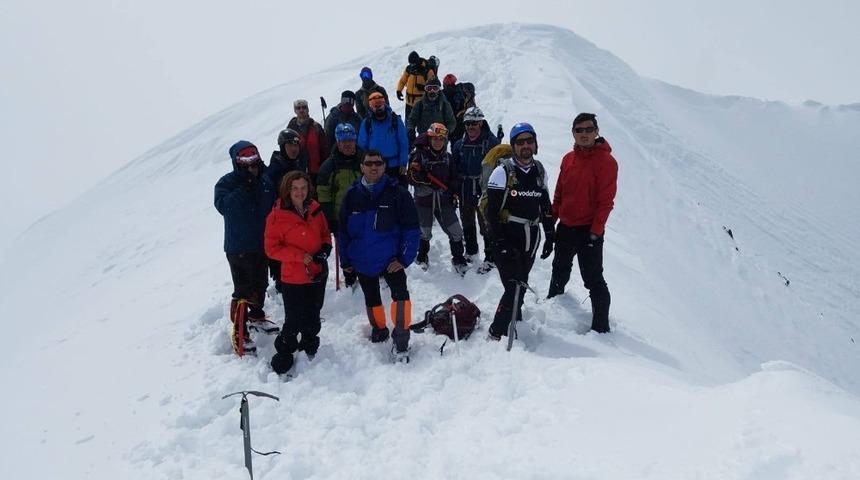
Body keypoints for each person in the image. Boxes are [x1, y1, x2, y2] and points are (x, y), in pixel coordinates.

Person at [338, 150, 420, 362]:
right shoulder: (352, 195)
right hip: (362, 260)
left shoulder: (398, 193)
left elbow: (411, 229)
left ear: (384, 167)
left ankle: (401, 339)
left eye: (378, 163)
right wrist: (345, 261)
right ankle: (379, 329)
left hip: (390, 260)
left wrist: (403, 260)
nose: (373, 167)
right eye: (369, 163)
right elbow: (343, 232)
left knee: (400, 296)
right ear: (362, 167)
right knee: (371, 298)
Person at [547, 113, 618, 333]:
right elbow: (560, 192)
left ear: (597, 131)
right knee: (559, 268)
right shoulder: (568, 158)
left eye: (589, 129)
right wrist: (552, 219)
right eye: (579, 130)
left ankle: (601, 329)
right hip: (566, 227)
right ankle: (552, 303)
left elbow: (605, 202)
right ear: (573, 133)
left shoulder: (606, 162)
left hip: (589, 231)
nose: (584, 134)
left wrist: (595, 232)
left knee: (593, 279)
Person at [484, 123, 555, 341]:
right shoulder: (502, 172)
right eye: (520, 142)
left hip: (530, 238)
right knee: (514, 286)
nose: (525, 146)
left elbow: (545, 204)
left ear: (535, 144)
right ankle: (497, 330)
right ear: (513, 145)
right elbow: (491, 212)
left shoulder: (539, 170)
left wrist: (549, 234)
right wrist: (500, 243)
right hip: (508, 236)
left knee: (520, 282)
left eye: (529, 141)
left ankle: (515, 314)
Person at [214, 141, 278, 355]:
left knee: (260, 284)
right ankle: (240, 332)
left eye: (254, 159)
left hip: (262, 243)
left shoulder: (265, 180)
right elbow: (224, 206)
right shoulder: (227, 183)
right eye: (246, 160)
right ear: (237, 162)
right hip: (238, 245)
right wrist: (244, 187)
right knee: (243, 288)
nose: (251, 165)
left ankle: (257, 316)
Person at [265, 171, 332, 373]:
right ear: (287, 189)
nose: (299, 192)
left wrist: (325, 249)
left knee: (313, 313)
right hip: (293, 276)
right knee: (293, 318)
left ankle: (310, 344)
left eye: (303, 187)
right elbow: (271, 248)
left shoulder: (314, 208)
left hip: (317, 272)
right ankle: (285, 349)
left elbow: (324, 234)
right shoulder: (276, 216)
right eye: (295, 188)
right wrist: (298, 256)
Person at [407, 123, 468, 274]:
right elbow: (410, 177)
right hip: (424, 201)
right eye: (434, 138)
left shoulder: (448, 158)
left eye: (441, 139)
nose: (437, 142)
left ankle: (459, 259)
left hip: (444, 201)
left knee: (456, 231)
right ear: (429, 138)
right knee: (424, 232)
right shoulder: (418, 155)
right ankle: (421, 257)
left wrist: (452, 190)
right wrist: (421, 178)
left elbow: (456, 177)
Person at [451, 107, 499, 271]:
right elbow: (455, 167)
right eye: (468, 123)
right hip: (465, 188)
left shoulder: (491, 143)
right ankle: (471, 251)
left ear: (481, 123)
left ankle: (491, 256)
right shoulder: (459, 144)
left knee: (486, 223)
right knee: (467, 221)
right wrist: (455, 188)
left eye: (474, 123)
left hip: (483, 188)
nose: (471, 127)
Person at [266, 128, 309, 293]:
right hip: (281, 218)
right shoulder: (274, 170)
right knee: (283, 251)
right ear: (283, 146)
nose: (294, 148)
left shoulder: (298, 163)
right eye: (290, 145)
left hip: (298, 214)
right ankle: (282, 284)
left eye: (296, 145)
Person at [317, 123, 364, 232]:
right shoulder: (328, 167)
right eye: (343, 141)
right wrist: (329, 219)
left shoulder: (364, 161)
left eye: (350, 140)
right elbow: (323, 196)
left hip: (363, 217)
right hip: (340, 220)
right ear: (338, 142)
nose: (347, 144)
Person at [357, 91, 409, 184]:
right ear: (370, 107)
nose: (378, 108)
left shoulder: (395, 120)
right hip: (375, 167)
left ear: (384, 104)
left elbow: (403, 142)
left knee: (398, 196)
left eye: (380, 104)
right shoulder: (367, 123)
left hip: (395, 167)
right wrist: (365, 165)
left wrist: (403, 163)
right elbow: (362, 146)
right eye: (375, 105)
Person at [287, 99, 329, 186]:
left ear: (308, 109)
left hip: (316, 172)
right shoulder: (290, 129)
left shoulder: (316, 127)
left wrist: (324, 168)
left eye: (304, 107)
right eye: (298, 108)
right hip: (297, 173)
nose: (301, 110)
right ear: (295, 111)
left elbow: (324, 149)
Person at [405, 77, 456, 145]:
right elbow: (411, 120)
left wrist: (444, 132)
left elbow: (451, 122)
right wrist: (411, 130)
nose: (432, 91)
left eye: (435, 88)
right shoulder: (419, 105)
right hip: (424, 139)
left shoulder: (445, 105)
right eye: (429, 88)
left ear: (439, 90)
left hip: (439, 139)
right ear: (426, 90)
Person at [396, 51, 436, 119]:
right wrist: (399, 90)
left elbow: (434, 85)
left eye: (413, 63)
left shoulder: (427, 70)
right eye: (410, 63)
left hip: (421, 104)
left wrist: (424, 88)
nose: (412, 65)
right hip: (408, 103)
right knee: (408, 124)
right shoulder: (409, 69)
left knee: (421, 126)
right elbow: (402, 81)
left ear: (417, 61)